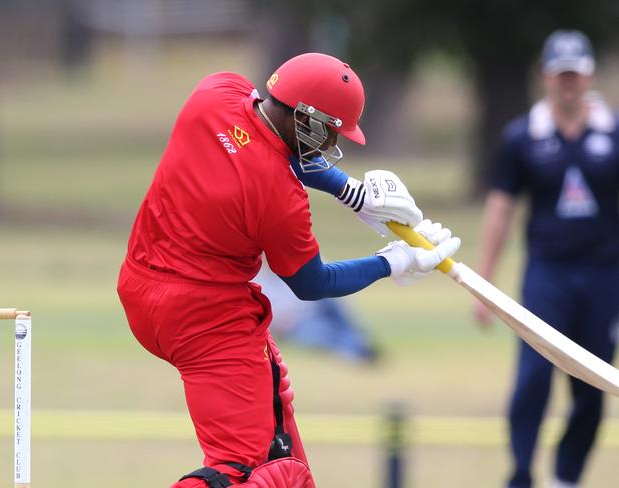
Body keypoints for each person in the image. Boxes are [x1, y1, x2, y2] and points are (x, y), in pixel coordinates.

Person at [117, 52, 461, 488]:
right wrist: (392, 262)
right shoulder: (280, 196)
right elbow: (312, 282)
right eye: (328, 134)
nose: (327, 148)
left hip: (139, 285)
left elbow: (263, 144)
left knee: (279, 424)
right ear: (308, 121)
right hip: (205, 320)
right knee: (241, 470)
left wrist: (351, 193)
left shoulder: (215, 93)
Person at [474, 31, 619, 488]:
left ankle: (567, 476)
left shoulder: (613, 134)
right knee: (533, 378)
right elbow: (500, 209)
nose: (569, 84)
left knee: (594, 382)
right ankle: (521, 471)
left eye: (576, 74)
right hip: (546, 276)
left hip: (604, 277)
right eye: (561, 75)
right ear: (546, 76)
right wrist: (485, 284)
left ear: (589, 75)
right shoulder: (523, 137)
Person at [254, 260, 379, 363]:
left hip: (315, 306)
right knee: (320, 331)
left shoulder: (294, 265)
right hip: (297, 322)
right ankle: (354, 351)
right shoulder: (258, 277)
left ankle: (360, 343)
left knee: (336, 304)